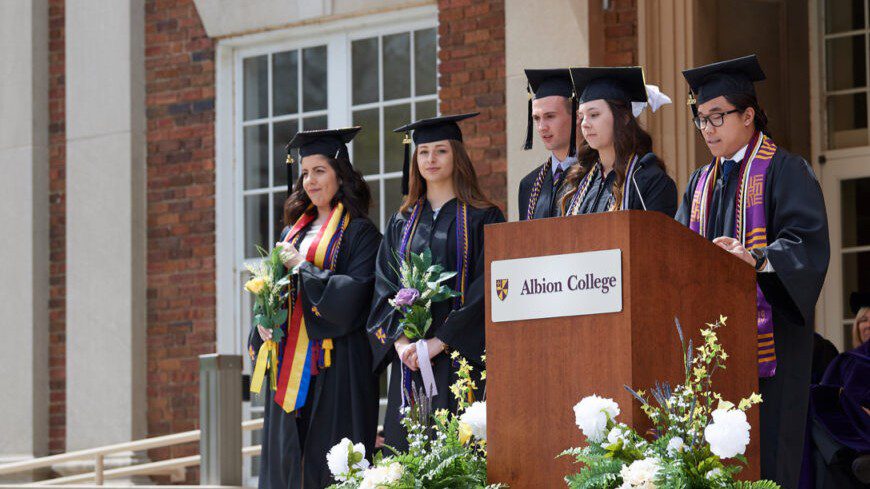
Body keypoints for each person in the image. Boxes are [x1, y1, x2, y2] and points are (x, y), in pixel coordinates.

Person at [674, 54, 830, 487]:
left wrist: (756, 258)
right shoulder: (698, 183)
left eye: (717, 117)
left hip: (770, 349)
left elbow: (806, 243)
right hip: (711, 347)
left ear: (748, 116)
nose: (707, 128)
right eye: (700, 118)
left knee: (766, 461)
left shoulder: (786, 170)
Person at [248, 127, 381, 488]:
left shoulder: (361, 234)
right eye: (305, 173)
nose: (310, 180)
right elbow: (273, 293)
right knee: (288, 466)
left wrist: (302, 268)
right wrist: (263, 322)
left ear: (341, 174)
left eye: (319, 170)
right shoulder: (292, 233)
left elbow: (355, 295)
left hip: (335, 368)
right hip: (288, 370)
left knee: (330, 466)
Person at [368, 113, 505, 450]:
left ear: (457, 155)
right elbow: (384, 285)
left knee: (458, 452)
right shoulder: (402, 221)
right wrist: (402, 345)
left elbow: (487, 286)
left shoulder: (483, 216)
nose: (431, 159)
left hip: (460, 358)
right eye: (424, 152)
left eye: (441, 151)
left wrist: (440, 341)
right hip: (411, 362)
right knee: (409, 457)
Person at [560, 66, 677, 216]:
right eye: (582, 117)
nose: (584, 124)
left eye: (594, 115)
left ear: (624, 117)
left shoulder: (648, 181)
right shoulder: (579, 181)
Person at [804, 292, 870, 488]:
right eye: (863, 320)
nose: (867, 325)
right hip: (846, 436)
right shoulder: (846, 361)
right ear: (856, 326)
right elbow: (827, 395)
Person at [517, 68, 579, 220]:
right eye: (537, 118)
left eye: (550, 116)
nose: (541, 127)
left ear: (576, 116)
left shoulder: (598, 174)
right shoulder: (529, 185)